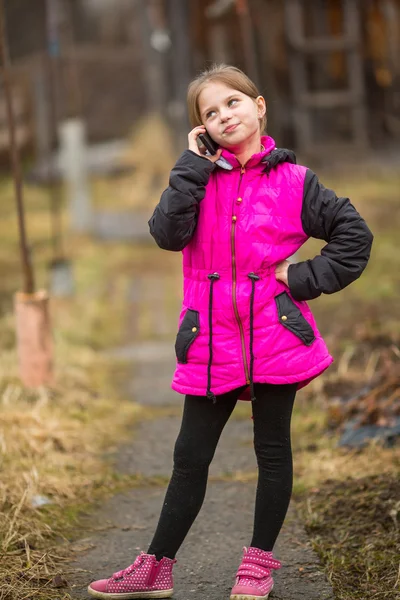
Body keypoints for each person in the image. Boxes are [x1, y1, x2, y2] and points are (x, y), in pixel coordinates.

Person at [88, 64, 373, 600]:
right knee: (189, 456)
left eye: (232, 104)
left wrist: (305, 277)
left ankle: (257, 566)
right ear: (201, 130)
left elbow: (355, 236)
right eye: (210, 114)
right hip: (209, 336)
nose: (224, 117)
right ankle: (155, 568)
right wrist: (191, 167)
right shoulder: (197, 180)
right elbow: (167, 235)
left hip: (275, 332)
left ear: (259, 106)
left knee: (272, 451)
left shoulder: (295, 182)